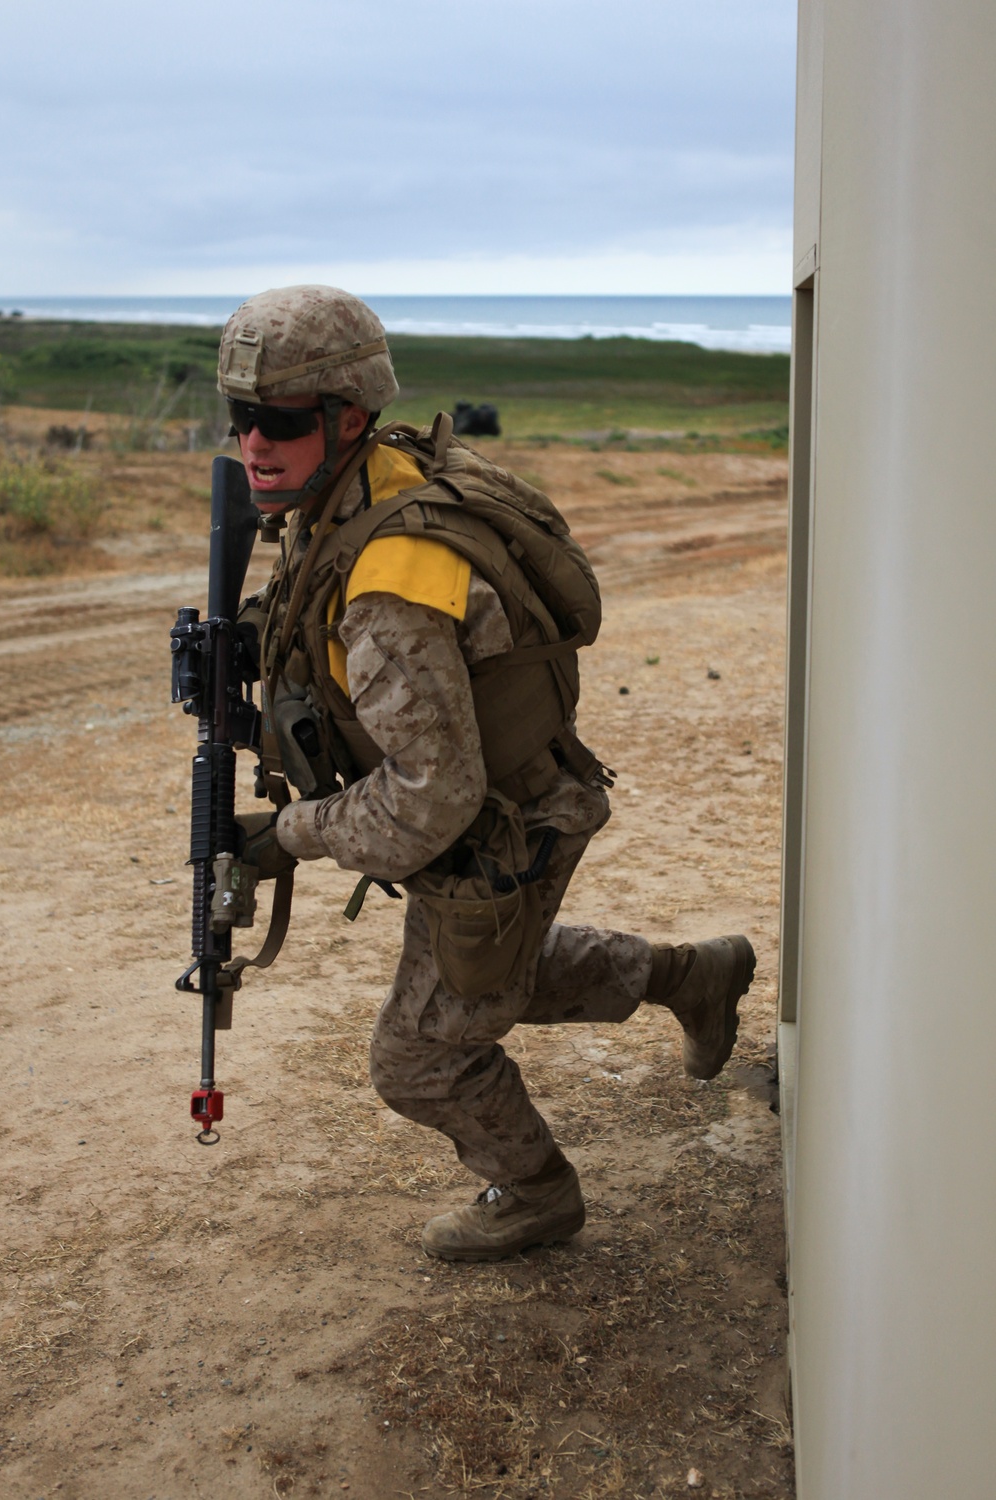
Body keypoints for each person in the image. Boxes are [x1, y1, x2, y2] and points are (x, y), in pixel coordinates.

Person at [222, 285, 755, 1263]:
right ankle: (695, 976)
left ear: (348, 418)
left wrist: (285, 837)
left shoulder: (389, 585)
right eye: (240, 418)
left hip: (504, 823)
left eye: (281, 422)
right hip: (507, 798)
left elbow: (432, 795)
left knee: (419, 1055)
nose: (254, 444)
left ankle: (538, 1193)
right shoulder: (380, 475)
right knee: (491, 983)